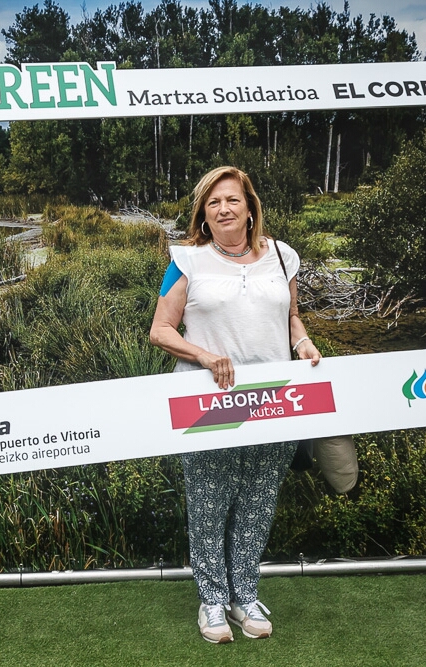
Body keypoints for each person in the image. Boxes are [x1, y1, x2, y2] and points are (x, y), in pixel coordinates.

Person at [149, 166, 321, 644]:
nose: (223, 209)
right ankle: (212, 601)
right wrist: (204, 355)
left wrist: (303, 342)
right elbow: (160, 329)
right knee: (209, 502)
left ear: (250, 206)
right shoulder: (186, 261)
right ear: (203, 215)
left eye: (231, 200)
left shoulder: (284, 258)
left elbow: (291, 316)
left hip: (274, 401)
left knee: (258, 501)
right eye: (213, 203)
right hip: (207, 402)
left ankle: (245, 594)